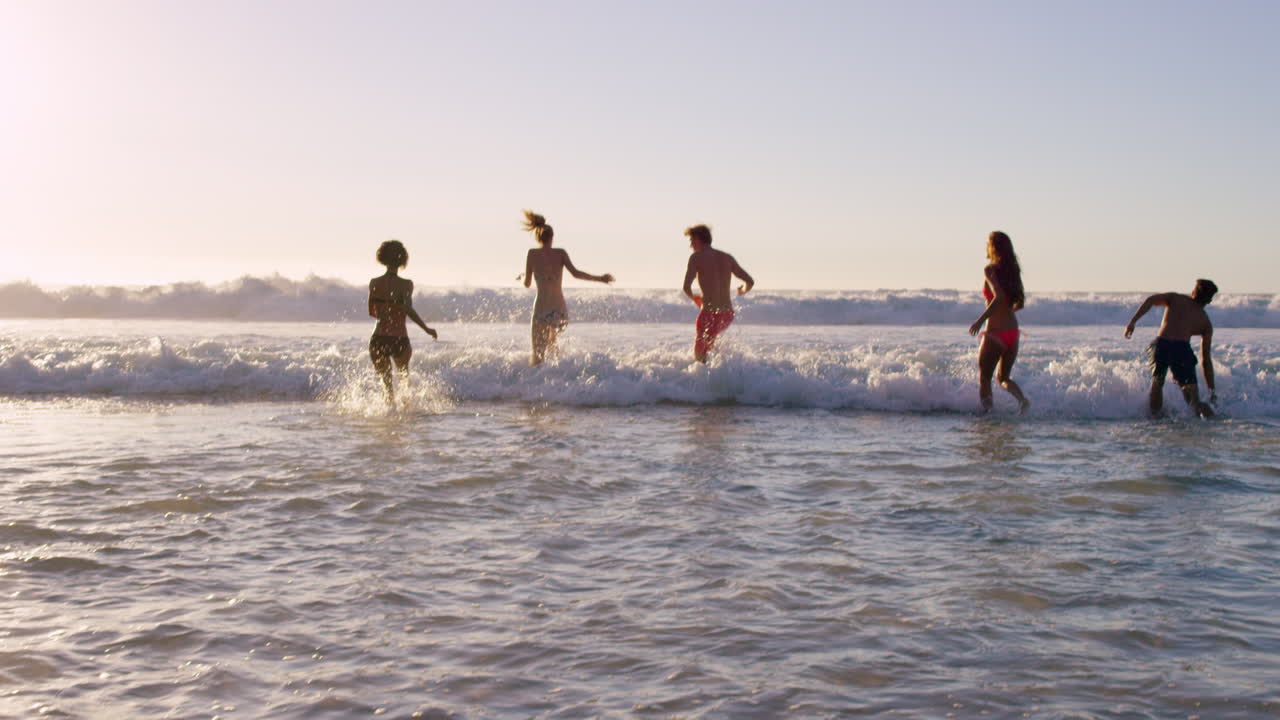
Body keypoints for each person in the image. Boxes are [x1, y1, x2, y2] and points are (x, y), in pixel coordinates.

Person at [522, 210, 614, 365]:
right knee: (553, 345)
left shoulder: (532, 254)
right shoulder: (560, 253)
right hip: (559, 310)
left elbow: (527, 283)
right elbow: (577, 274)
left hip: (541, 310)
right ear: (552, 237)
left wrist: (522, 278)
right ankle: (560, 376)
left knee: (537, 356)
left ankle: (537, 384)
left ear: (537, 236)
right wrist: (600, 279)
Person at [1124, 279, 1218, 418]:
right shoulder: (1205, 322)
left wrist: (1132, 322)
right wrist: (1211, 388)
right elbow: (1206, 360)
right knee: (1193, 400)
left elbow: (1150, 300)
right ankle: (1213, 421)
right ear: (1209, 301)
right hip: (1182, 350)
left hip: (1162, 345)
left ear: (1193, 292)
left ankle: (1155, 419)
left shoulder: (1175, 298)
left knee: (1157, 383)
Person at [968, 231, 1030, 413]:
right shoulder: (1012, 271)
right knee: (1003, 378)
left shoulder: (990, 270)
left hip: (995, 334)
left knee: (985, 378)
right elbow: (1019, 303)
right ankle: (1022, 400)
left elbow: (998, 297)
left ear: (993, 247)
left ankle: (987, 416)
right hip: (1013, 332)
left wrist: (980, 321)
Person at [368, 240, 437, 402]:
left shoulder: (374, 283)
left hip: (378, 338)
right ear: (402, 259)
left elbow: (373, 312)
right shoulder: (406, 285)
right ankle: (404, 421)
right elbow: (408, 310)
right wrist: (426, 329)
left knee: (387, 390)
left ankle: (388, 418)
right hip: (399, 337)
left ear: (382, 257)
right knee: (404, 383)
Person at [682, 224, 754, 363]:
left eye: (691, 241)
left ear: (698, 239)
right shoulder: (727, 257)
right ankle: (720, 373)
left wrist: (694, 298)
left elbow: (686, 287)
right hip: (727, 314)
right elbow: (749, 281)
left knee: (700, 349)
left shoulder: (696, 258)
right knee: (709, 343)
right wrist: (742, 291)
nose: (691, 245)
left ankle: (702, 377)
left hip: (709, 313)